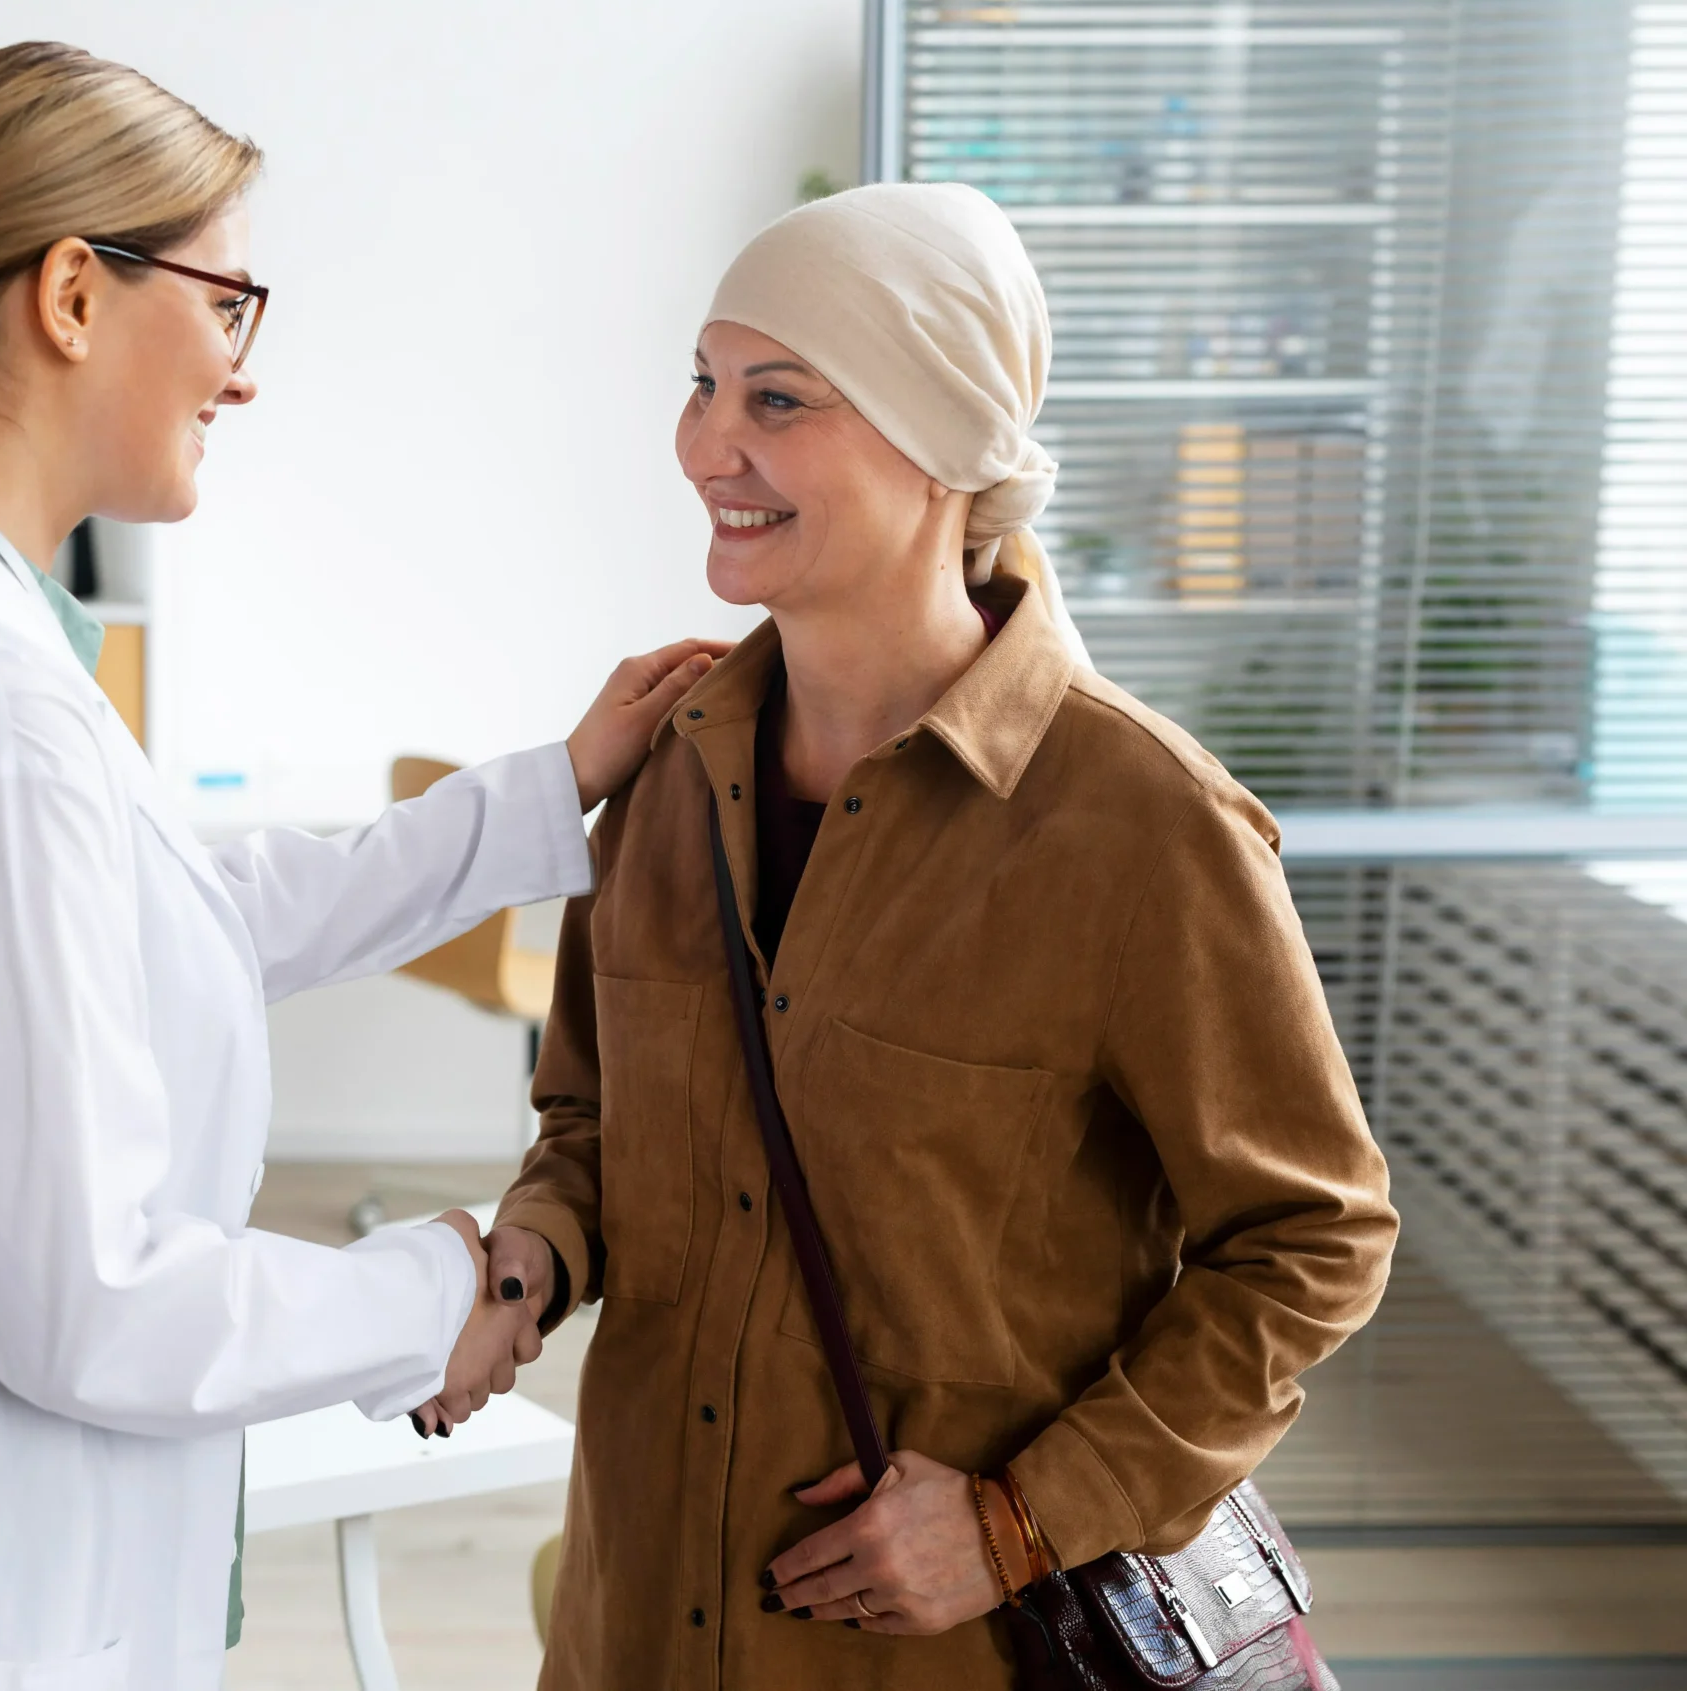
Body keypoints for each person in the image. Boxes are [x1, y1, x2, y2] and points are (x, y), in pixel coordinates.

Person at [0, 43, 720, 1691]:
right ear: (69, 294)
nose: (243, 371)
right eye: (229, 301)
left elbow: (180, 920)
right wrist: (436, 1286)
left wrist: (548, 791)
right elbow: (85, 1298)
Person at [477, 184, 1399, 1689]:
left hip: (950, 1653)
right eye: (703, 385)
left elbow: (1312, 1237)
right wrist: (531, 1257)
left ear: (943, 442)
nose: (710, 444)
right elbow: (589, 1117)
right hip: (636, 1622)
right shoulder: (663, 772)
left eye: (779, 398)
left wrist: (1021, 1518)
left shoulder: (1140, 825)